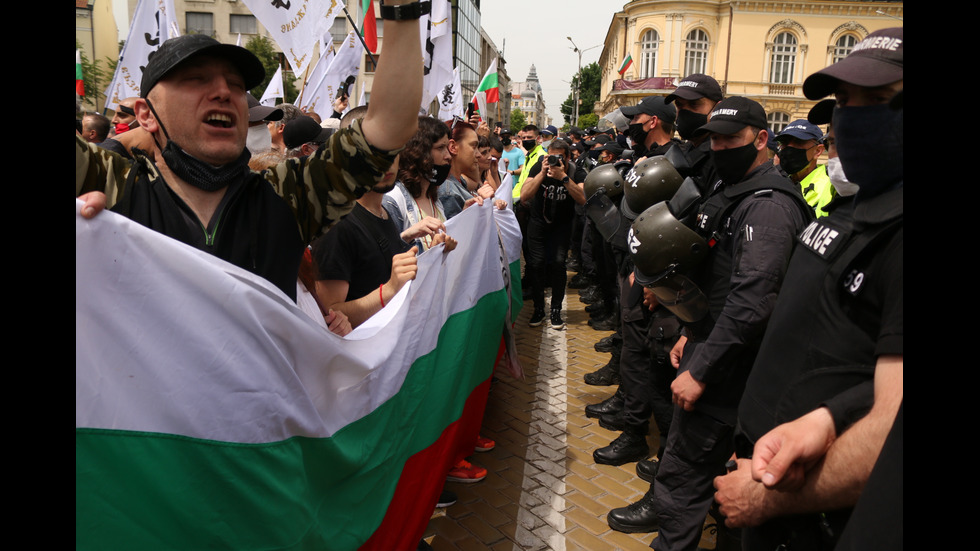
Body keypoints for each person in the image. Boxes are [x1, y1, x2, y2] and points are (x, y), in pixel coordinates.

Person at [77, 2, 425, 300]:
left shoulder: (289, 194)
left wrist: (402, 10)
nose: (224, 92)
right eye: (196, 79)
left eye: (236, 84)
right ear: (145, 114)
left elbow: (387, 128)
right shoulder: (112, 184)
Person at [712, 28, 903, 551]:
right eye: (844, 101)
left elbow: (893, 428)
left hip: (810, 505)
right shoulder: (856, 211)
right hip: (763, 462)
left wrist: (771, 497)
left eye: (880, 100)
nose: (852, 118)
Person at [609, 97, 812, 549]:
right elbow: (718, 281)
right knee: (711, 489)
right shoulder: (734, 190)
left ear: (761, 139)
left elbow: (753, 299)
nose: (719, 147)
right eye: (713, 139)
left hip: (731, 371)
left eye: (730, 139)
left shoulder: (768, 206)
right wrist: (690, 334)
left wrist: (703, 367)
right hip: (715, 348)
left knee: (684, 478)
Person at [519, 139, 586, 329]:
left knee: (558, 264)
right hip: (538, 223)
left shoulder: (574, 171)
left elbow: (582, 199)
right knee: (536, 264)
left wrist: (563, 177)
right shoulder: (539, 168)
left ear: (567, 157)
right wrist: (542, 173)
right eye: (551, 156)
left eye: (559, 157)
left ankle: (556, 309)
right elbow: (524, 195)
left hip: (562, 226)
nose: (554, 160)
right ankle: (539, 308)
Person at [384, 116, 454, 252]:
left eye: (447, 148)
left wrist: (466, 214)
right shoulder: (393, 200)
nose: (448, 156)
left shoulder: (434, 198)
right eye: (440, 148)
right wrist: (408, 236)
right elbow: (384, 259)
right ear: (420, 152)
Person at [773, 119, 835, 217]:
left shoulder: (831, 187)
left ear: (818, 151)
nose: (789, 148)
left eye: (798, 142)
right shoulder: (774, 182)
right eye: (784, 142)